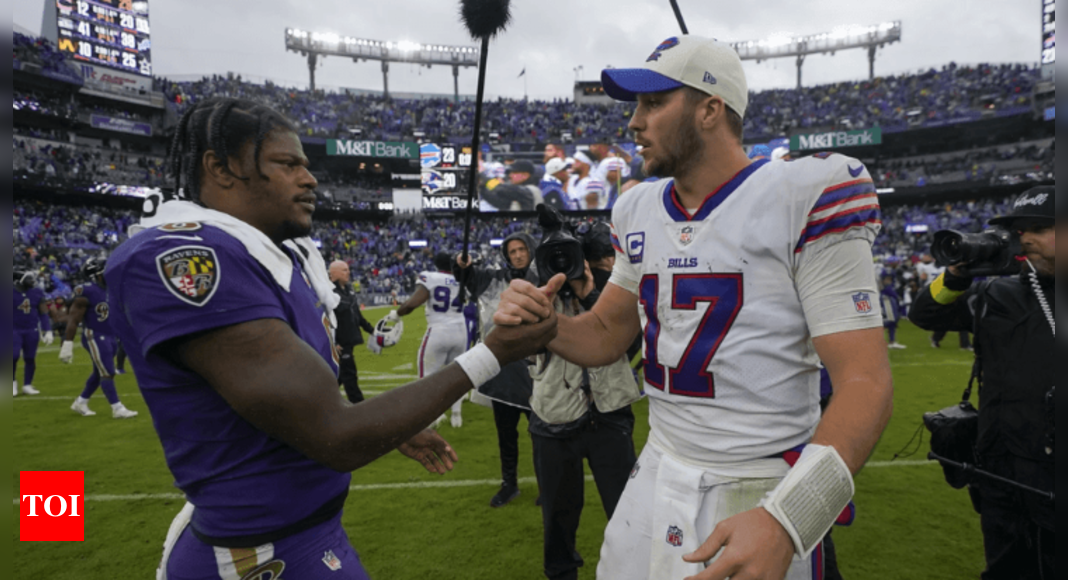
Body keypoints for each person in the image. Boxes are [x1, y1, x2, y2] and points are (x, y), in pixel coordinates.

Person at [102, 97, 557, 579]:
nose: (310, 177)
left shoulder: (273, 254)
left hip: (304, 530)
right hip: (255, 553)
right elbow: (334, 435)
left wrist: (387, 425)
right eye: (287, 163)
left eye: (306, 163)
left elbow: (305, 407)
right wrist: (493, 354)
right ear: (220, 168)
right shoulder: (187, 255)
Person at [495, 35, 894, 580]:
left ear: (710, 109)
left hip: (759, 479)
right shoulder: (638, 207)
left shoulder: (805, 192)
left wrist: (787, 519)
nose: (635, 122)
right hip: (659, 465)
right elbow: (606, 333)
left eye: (654, 103)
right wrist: (546, 327)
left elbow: (866, 383)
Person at [909, 186, 1055, 580]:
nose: (1025, 238)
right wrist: (955, 275)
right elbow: (924, 314)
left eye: (1039, 228)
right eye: (1019, 230)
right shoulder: (998, 291)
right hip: (999, 470)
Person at [529, 222, 643, 580]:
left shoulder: (614, 291)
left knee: (628, 510)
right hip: (553, 415)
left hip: (609, 413)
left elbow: (631, 344)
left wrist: (591, 295)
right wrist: (546, 299)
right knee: (558, 516)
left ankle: (635, 571)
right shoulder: (540, 290)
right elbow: (521, 347)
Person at [455, 232, 541, 508]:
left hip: (537, 371)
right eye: (512, 251)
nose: (517, 255)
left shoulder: (542, 277)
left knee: (541, 435)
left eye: (521, 249)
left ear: (531, 250)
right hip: (503, 370)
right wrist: (464, 266)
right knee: (506, 435)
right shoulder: (496, 278)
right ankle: (509, 484)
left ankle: (547, 482)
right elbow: (470, 278)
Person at [389, 252, 469, 428]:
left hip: (439, 330)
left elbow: (412, 303)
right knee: (457, 375)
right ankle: (457, 415)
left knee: (427, 377)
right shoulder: (462, 278)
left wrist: (397, 314)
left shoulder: (430, 277)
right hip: (461, 331)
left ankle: (433, 417)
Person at [59, 258, 139, 419]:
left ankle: (81, 402)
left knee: (99, 372)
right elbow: (74, 319)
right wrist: (67, 343)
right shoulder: (87, 291)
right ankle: (117, 408)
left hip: (110, 335)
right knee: (108, 371)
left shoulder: (111, 289)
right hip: (94, 335)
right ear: (96, 275)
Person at [329, 260, 375, 403]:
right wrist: (332, 342)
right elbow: (324, 318)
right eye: (344, 270)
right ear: (334, 273)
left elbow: (357, 315)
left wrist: (373, 331)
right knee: (349, 377)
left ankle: (318, 402)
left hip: (349, 341)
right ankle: (359, 408)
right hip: (340, 344)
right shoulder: (328, 292)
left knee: (341, 377)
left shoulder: (349, 290)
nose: (348, 272)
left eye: (348, 269)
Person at [13, 271, 53, 397]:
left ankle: (27, 385)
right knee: (13, 356)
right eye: (29, 278)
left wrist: (48, 330)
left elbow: (43, 312)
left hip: (32, 329)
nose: (32, 281)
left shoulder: (37, 292)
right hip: (13, 329)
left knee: (30, 357)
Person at [880, 275, 906, 349]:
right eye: (887, 279)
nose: (889, 281)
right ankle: (874, 335)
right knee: (891, 321)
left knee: (893, 323)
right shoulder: (885, 287)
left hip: (891, 302)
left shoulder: (891, 285)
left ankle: (892, 341)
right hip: (886, 301)